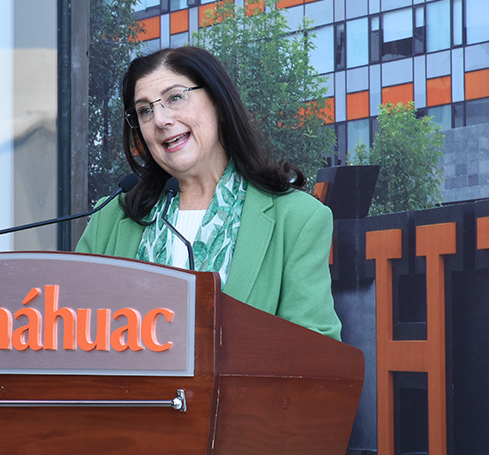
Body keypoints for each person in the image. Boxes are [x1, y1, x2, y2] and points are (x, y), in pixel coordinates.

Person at [76, 46, 342, 340]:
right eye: (145, 110)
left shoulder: (297, 219)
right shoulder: (110, 217)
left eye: (175, 98)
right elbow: (71, 333)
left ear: (219, 104)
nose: (160, 120)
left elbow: (316, 352)